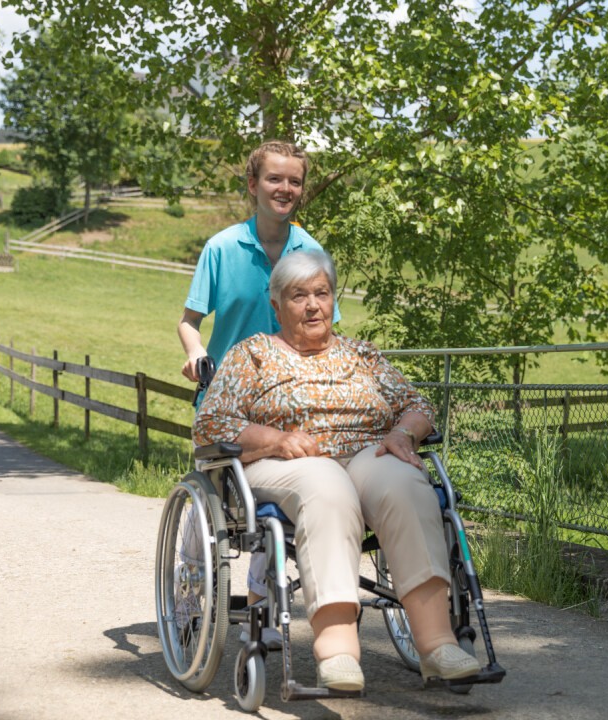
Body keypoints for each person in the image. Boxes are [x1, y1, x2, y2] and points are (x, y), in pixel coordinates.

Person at [194, 250, 481, 691]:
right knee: (326, 486)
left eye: (321, 293)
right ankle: (338, 649)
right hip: (285, 464)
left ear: (333, 299)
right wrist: (275, 439)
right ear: (276, 305)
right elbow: (211, 424)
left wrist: (404, 434)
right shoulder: (251, 355)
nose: (312, 304)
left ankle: (437, 643)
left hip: (366, 454)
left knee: (407, 482)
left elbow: (418, 405)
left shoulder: (361, 355)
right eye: (299, 295)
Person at [177, 140, 337, 615]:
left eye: (294, 181)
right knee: (214, 489)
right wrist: (197, 353)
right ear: (253, 185)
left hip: (291, 401)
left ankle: (264, 599)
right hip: (231, 398)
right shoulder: (222, 248)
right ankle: (188, 584)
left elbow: (325, 324)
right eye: (274, 178)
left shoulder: (310, 250)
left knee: (282, 489)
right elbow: (189, 321)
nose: (285, 188)